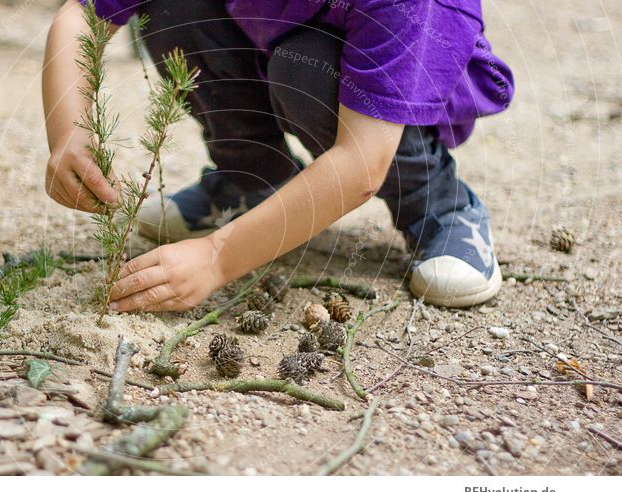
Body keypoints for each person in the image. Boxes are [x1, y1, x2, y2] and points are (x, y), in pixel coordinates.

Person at [42, 0, 514, 312]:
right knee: (173, 7)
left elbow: (360, 164)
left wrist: (215, 259)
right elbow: (80, 16)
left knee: (305, 67)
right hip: (269, 37)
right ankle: (252, 179)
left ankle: (440, 207)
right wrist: (69, 131)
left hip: (388, 101)